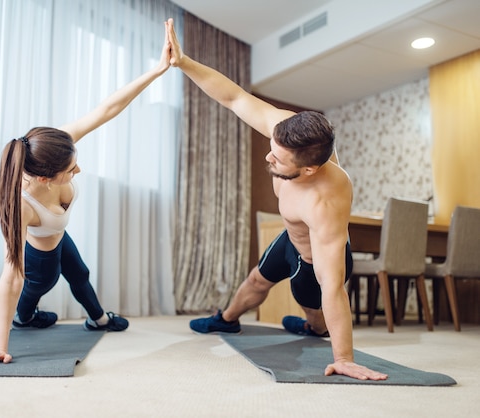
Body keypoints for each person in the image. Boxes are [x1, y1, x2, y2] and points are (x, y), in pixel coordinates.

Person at [165, 18, 386, 381]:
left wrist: (343, 357)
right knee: (256, 281)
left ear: (311, 170)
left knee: (313, 310)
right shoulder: (287, 131)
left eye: (278, 159)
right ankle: (226, 321)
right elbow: (233, 97)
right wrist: (184, 61)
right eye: (272, 148)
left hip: (313, 257)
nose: (269, 157)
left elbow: (333, 286)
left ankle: (313, 328)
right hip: (289, 238)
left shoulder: (325, 202)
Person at [0, 27, 172, 366]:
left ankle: (99, 319)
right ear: (45, 178)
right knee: (37, 286)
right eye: (71, 170)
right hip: (38, 254)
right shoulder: (22, 207)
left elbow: (107, 109)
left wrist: (157, 70)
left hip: (58, 236)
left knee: (80, 273)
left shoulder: (53, 146)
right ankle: (25, 317)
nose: (78, 172)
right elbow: (10, 277)